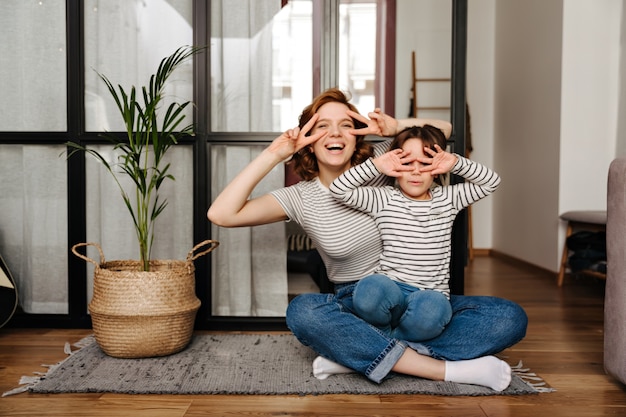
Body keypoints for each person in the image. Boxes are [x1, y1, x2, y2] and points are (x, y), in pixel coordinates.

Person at [207, 88, 527, 392]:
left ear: (357, 134)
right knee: (303, 312)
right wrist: (275, 153)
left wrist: (394, 128)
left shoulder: (384, 164)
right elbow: (221, 214)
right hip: (356, 302)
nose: (335, 133)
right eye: (322, 126)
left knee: (508, 318)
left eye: (346, 125)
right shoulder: (298, 198)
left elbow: (442, 129)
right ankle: (441, 369)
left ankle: (363, 355)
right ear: (307, 138)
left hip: (421, 295)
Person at [328, 124, 500, 344]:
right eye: (408, 163)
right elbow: (338, 190)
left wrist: (456, 163)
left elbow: (491, 182)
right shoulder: (384, 199)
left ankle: (387, 344)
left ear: (437, 168)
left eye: (425, 163)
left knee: (432, 310)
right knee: (369, 289)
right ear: (395, 165)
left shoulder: (448, 199)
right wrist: (377, 165)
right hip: (392, 290)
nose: (416, 171)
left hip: (430, 294)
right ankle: (391, 340)